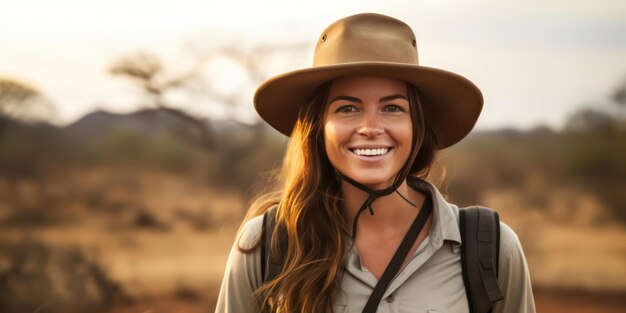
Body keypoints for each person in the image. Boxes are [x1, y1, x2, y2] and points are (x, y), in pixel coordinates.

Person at [215, 13, 535, 313]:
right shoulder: (267, 247)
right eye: (347, 109)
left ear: (418, 127)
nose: (370, 128)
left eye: (393, 108)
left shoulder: (490, 250)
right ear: (318, 128)